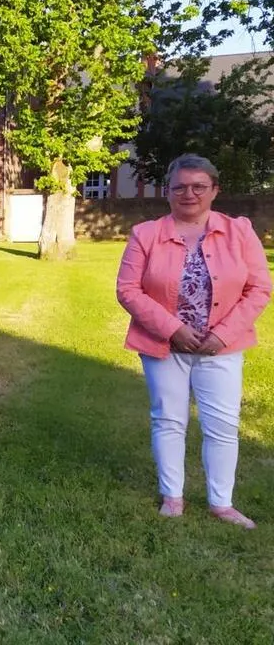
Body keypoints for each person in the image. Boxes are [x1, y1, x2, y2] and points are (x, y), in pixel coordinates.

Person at [116, 153, 271, 529]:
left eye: (199, 186)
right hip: (164, 346)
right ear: (167, 191)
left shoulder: (239, 232)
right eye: (180, 187)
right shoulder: (146, 234)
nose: (189, 194)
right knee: (168, 420)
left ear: (214, 190)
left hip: (221, 346)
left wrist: (222, 334)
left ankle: (221, 503)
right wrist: (173, 329)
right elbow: (128, 289)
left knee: (223, 424)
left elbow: (259, 289)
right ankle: (173, 497)